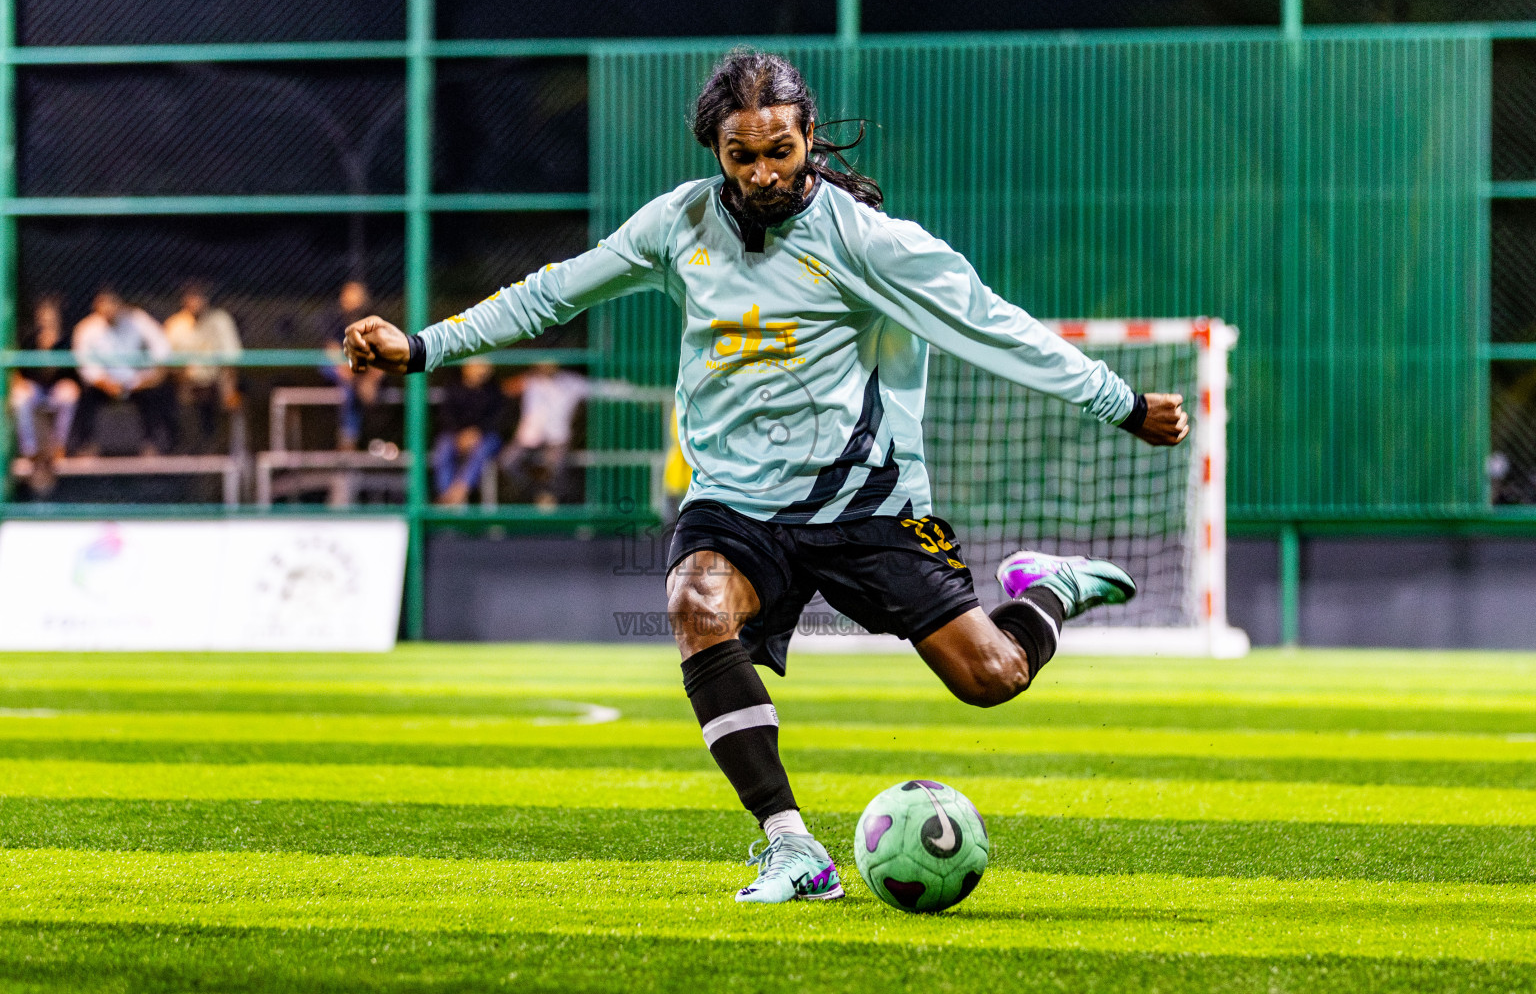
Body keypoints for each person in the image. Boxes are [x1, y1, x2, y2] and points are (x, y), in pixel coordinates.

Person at [342, 49, 1188, 905]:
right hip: (736, 505)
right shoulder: (679, 224)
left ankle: (1046, 590)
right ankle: (792, 848)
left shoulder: (868, 242)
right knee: (694, 606)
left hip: (869, 503)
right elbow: (551, 294)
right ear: (715, 149)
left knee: (991, 678)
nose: (761, 173)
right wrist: (424, 347)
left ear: (808, 138)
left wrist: (1119, 401)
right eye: (741, 156)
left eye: (778, 151)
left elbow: (996, 326)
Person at [71, 288, 176, 455]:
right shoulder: (86, 328)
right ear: (96, 306)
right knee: (82, 395)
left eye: (113, 303)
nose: (109, 309)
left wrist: (146, 379)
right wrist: (105, 384)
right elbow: (85, 366)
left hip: (136, 382)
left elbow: (162, 348)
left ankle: (155, 446)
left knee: (158, 393)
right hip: (102, 384)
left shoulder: (137, 319)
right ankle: (85, 446)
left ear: (121, 304)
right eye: (104, 304)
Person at [7, 294, 79, 492]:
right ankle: (30, 450)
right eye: (43, 317)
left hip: (56, 389)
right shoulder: (29, 337)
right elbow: (16, 370)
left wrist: (51, 350)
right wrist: (20, 383)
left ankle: (59, 447)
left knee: (69, 394)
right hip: (36, 389)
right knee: (20, 398)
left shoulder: (66, 340)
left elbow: (72, 376)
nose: (47, 320)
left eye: (51, 317)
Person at [163, 281, 242, 453]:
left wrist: (230, 390)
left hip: (216, 382)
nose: (195, 301)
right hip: (185, 382)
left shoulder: (220, 319)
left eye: (199, 296)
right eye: (191, 297)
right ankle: (182, 449)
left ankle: (216, 450)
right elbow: (167, 361)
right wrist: (181, 378)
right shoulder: (175, 324)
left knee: (227, 399)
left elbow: (232, 357)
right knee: (170, 395)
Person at [501, 361, 589, 509]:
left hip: (556, 438)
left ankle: (550, 501)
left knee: (556, 468)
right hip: (529, 438)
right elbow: (505, 389)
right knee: (507, 462)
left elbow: (600, 389)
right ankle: (538, 494)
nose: (546, 366)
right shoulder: (530, 380)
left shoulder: (570, 382)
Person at [321, 280, 384, 450]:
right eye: (346, 297)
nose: (349, 301)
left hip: (360, 369)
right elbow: (331, 350)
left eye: (355, 297)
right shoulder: (335, 318)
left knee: (358, 385)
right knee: (349, 385)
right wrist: (349, 368)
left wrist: (371, 378)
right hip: (338, 365)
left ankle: (353, 440)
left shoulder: (373, 321)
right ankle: (348, 440)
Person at [433, 358, 505, 506]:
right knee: (443, 448)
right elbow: (446, 416)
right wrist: (461, 435)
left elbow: (498, 419)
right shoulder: (453, 388)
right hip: (456, 435)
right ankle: (447, 495)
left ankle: (459, 492)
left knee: (482, 450)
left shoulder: (494, 390)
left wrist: (477, 433)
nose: (482, 371)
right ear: (466, 368)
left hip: (485, 436)